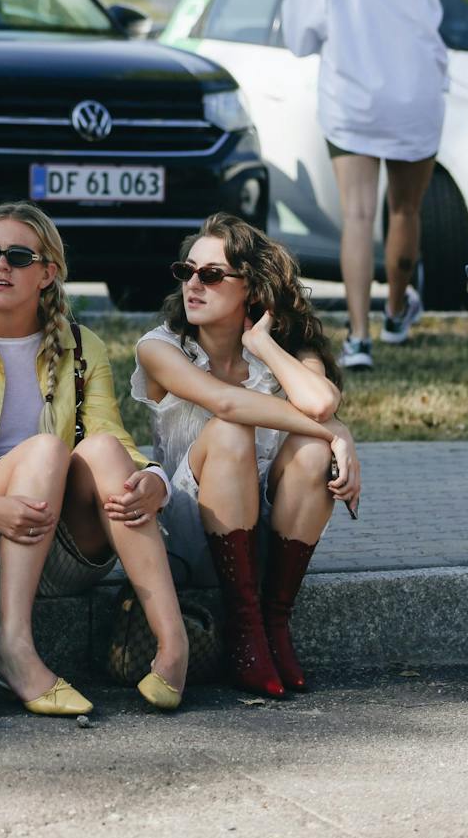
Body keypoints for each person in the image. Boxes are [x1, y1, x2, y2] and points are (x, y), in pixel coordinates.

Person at [0, 200, 189, 717]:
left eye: (17, 256)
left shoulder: (82, 346)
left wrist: (153, 479)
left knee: (102, 450)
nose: (0, 265)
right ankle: (13, 647)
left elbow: (108, 432)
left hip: (63, 547)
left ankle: (173, 645)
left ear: (48, 273)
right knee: (48, 449)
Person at [132, 213, 360, 698]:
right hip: (188, 534)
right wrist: (336, 433)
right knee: (232, 430)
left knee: (311, 452)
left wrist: (263, 345)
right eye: (186, 271)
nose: (194, 284)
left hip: (266, 539)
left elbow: (320, 402)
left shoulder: (289, 350)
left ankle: (274, 622)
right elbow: (227, 403)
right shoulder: (160, 347)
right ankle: (245, 626)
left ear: (252, 289)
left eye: (212, 275)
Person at [281, 0, 453, 370]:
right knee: (405, 210)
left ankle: (358, 338)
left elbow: (300, 31)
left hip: (351, 100)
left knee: (356, 215)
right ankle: (396, 314)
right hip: (414, 98)